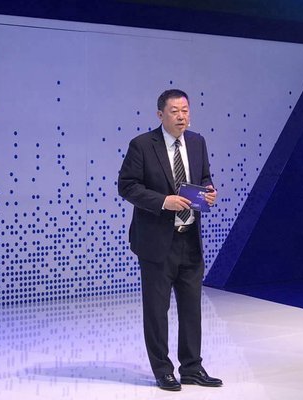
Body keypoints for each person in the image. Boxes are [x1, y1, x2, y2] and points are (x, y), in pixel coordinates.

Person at [118, 89, 222, 391]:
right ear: (160, 114)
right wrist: (164, 201)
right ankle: (162, 370)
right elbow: (127, 186)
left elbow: (204, 177)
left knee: (191, 308)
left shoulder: (198, 142)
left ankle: (192, 367)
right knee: (156, 310)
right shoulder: (142, 145)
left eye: (185, 110)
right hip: (156, 242)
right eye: (175, 111)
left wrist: (209, 191)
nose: (181, 116)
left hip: (190, 239)